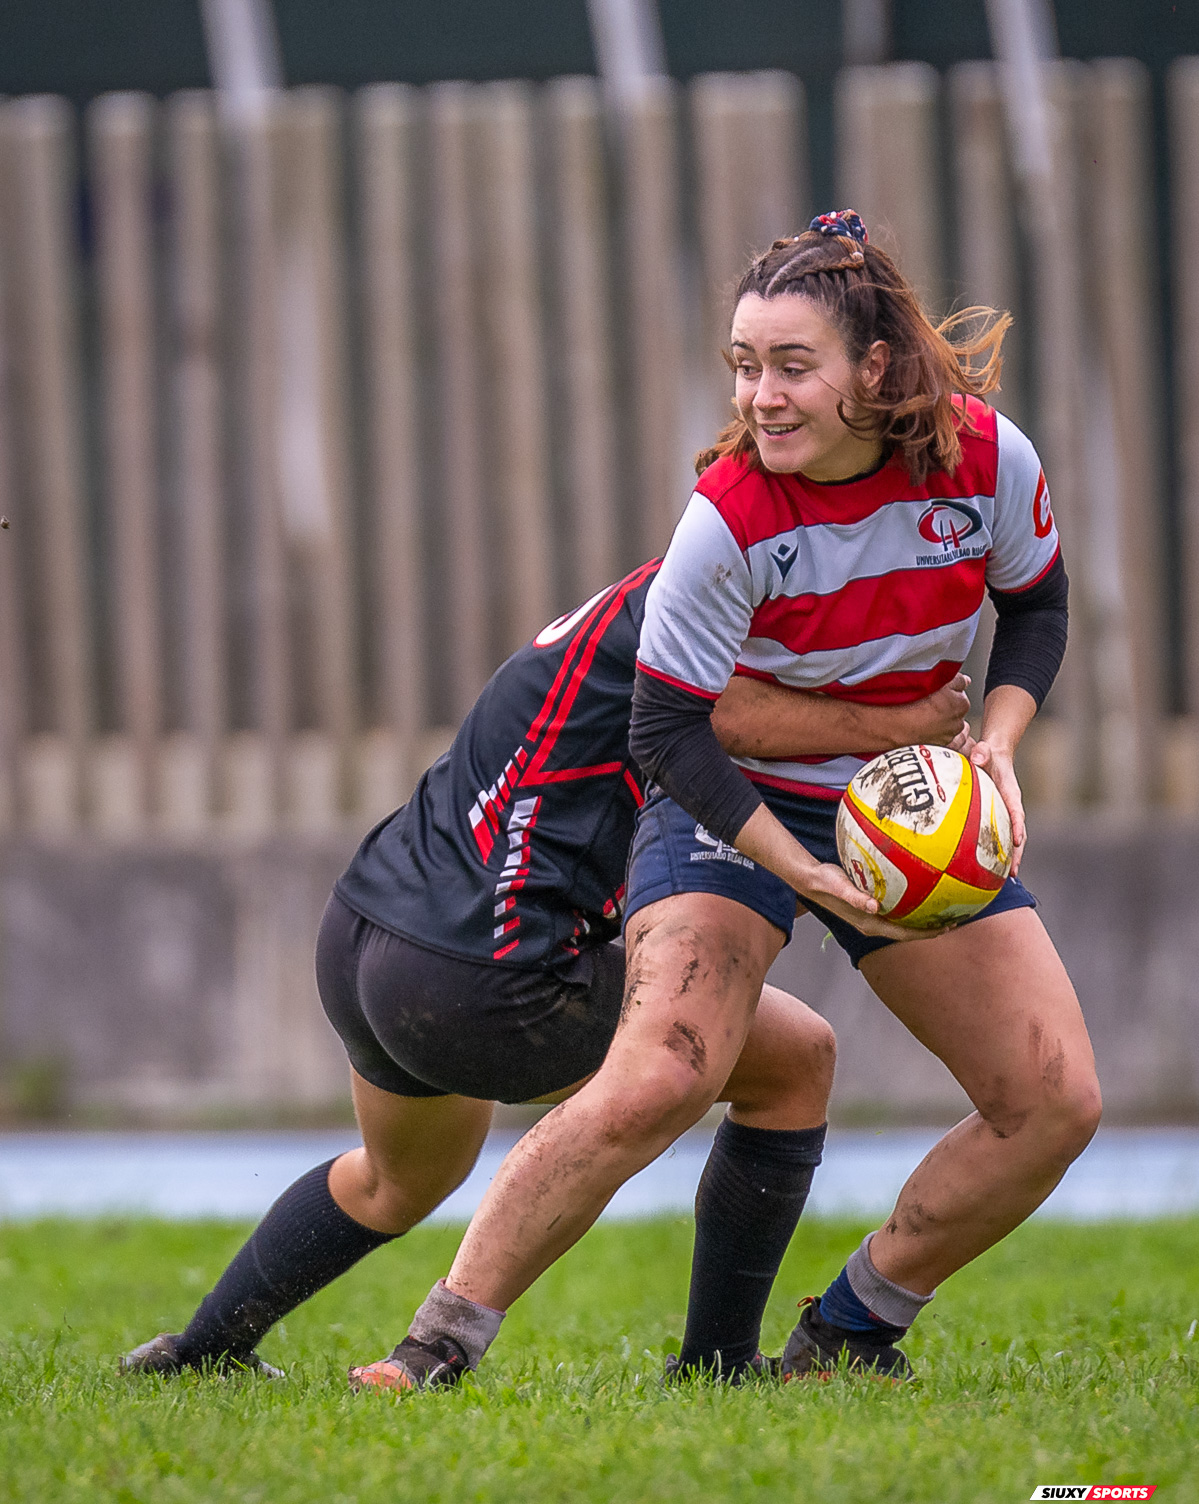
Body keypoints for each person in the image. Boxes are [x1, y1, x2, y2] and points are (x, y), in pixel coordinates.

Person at [368, 210, 1097, 1391]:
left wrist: (1000, 747)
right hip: (724, 797)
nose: (759, 395)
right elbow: (665, 731)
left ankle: (852, 1327)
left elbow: (1038, 605)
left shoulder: (985, 460)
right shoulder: (727, 516)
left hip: (902, 804)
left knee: (1052, 1100)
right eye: (743, 366)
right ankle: (436, 1344)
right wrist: (793, 867)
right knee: (664, 1068)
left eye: (790, 365)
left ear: (873, 367)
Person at [121, 552, 971, 1382]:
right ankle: (717, 1365)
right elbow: (739, 727)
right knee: (794, 1059)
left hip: (365, 932)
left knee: (397, 1179)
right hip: (480, 977)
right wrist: (899, 731)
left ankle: (198, 1353)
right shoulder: (698, 635)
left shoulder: (651, 599)